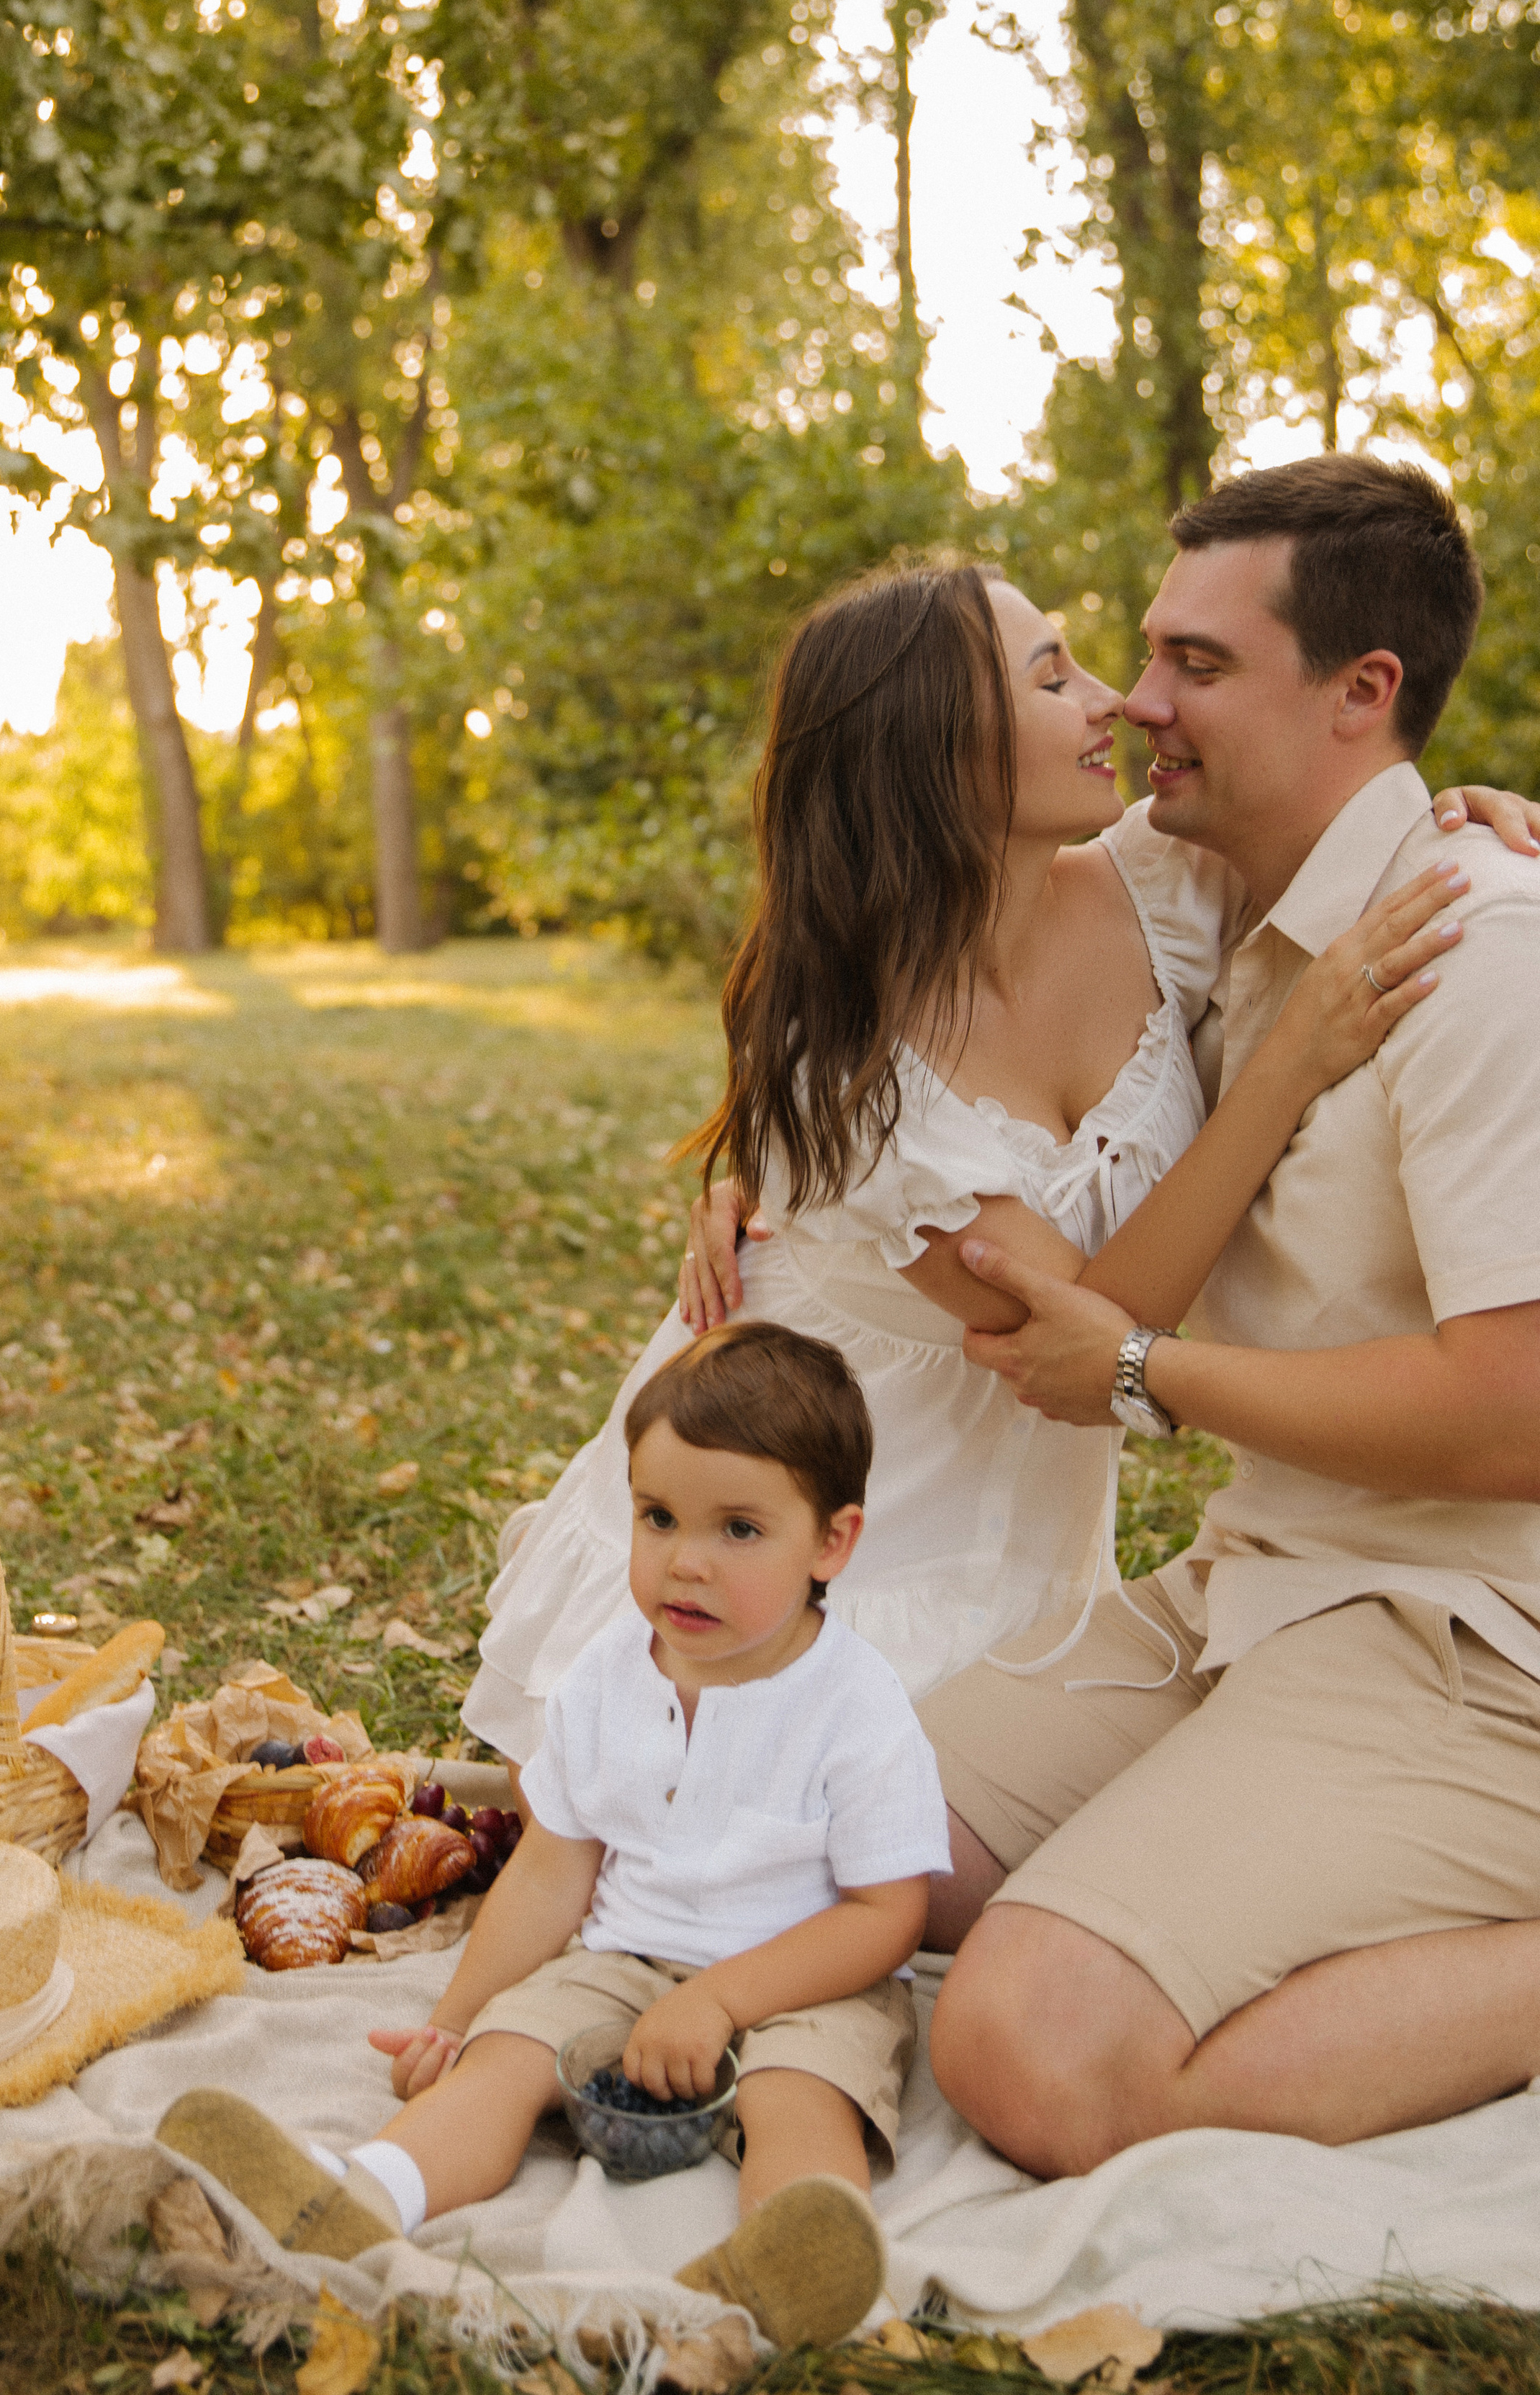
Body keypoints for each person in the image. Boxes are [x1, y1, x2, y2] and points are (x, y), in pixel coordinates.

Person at [462, 554, 1485, 1790]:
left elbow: (1321, 810)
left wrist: (1443, 809)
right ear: (937, 752)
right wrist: (1290, 1061)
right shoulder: (848, 1073)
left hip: (1023, 1535)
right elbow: (1085, 1341)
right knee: (746, 1834)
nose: (1115, 699)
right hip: (839, 1520)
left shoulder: (1164, 887)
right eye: (1054, 678)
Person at [894, 454, 1540, 2176]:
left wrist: (1141, 1367)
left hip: (1477, 1643)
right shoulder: (1206, 901)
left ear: (1359, 691)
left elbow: (1517, 1412)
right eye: (1137, 654)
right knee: (849, 1815)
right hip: (1260, 1584)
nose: (1133, 701)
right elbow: (895, 924)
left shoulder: (1484, 957)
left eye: (1195, 664)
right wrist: (756, 1165)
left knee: (1028, 2042)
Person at [163, 1322, 947, 2351]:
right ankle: (362, 2194)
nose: (686, 1562)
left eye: (739, 1529)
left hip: (808, 1980)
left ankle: (790, 2268)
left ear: (831, 1544)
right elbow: (551, 1867)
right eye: (658, 1517)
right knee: (503, 2059)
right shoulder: (610, 1672)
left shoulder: (857, 1705)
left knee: (802, 2102)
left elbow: (887, 1916)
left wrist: (720, 2000)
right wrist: (457, 2017)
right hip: (624, 1960)